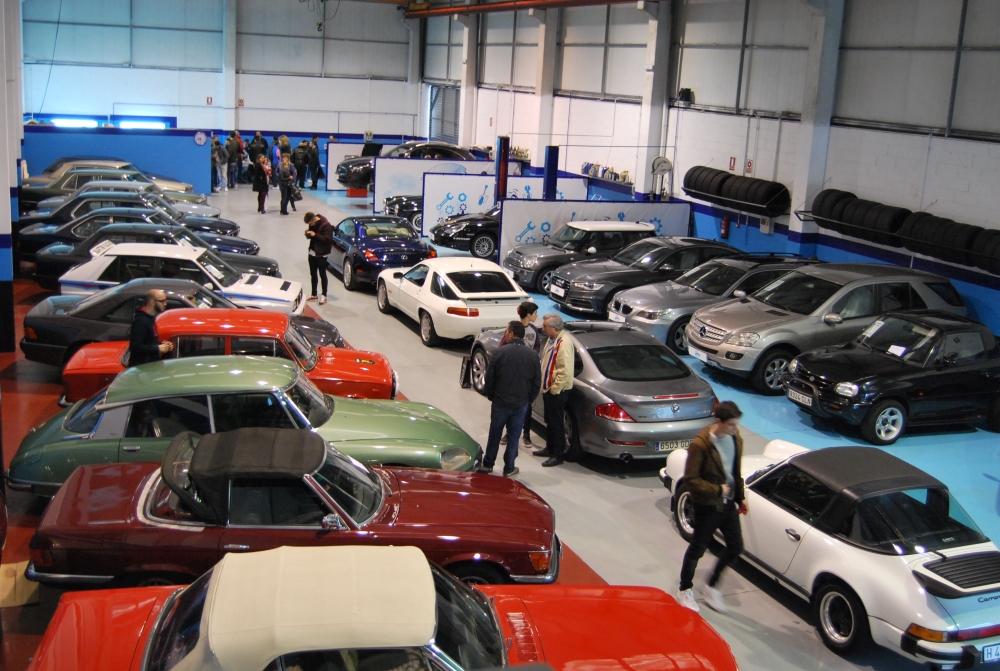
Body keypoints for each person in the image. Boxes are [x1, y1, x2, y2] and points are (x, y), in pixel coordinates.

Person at [676, 401, 747, 614]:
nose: (734, 428)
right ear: (719, 421)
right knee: (698, 548)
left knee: (736, 546)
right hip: (707, 506)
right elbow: (691, 479)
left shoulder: (735, 438)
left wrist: (740, 497)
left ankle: (711, 586)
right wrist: (717, 490)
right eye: (731, 424)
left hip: (728, 503)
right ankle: (684, 589)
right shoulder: (701, 444)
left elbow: (735, 471)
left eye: (735, 424)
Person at [480, 320, 540, 477]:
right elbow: (536, 382)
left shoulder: (500, 352)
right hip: (520, 404)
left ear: (512, 334)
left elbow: (490, 378)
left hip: (500, 402)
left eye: (506, 332)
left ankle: (487, 464)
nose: (505, 334)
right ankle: (509, 468)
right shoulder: (533, 355)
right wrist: (528, 400)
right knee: (514, 437)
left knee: (495, 434)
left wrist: (492, 396)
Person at [534, 314, 574, 467]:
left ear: (554, 327)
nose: (543, 328)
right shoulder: (552, 340)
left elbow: (565, 371)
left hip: (556, 391)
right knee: (550, 421)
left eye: (545, 326)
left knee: (556, 423)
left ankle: (557, 454)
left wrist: (555, 389)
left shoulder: (564, 343)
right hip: (548, 388)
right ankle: (549, 448)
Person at [499, 301, 540, 448]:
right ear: (528, 314)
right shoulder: (513, 328)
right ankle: (508, 432)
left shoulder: (534, 330)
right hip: (512, 372)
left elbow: (537, 346)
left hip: (526, 373)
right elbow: (502, 346)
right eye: (535, 313)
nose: (537, 316)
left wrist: (531, 357)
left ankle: (526, 434)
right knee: (511, 405)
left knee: (527, 406)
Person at [129, 289, 175, 366]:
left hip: (149, 366)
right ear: (152, 302)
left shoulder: (150, 319)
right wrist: (158, 348)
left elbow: (148, 342)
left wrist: (162, 344)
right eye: (162, 301)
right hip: (142, 368)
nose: (165, 304)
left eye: (166, 301)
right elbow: (135, 347)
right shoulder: (141, 321)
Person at [304, 212, 333, 304]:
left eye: (310, 223)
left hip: (322, 254)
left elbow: (327, 240)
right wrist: (308, 234)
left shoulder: (326, 225)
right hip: (312, 252)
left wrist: (315, 235)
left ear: (314, 219)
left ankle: (324, 295)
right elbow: (312, 236)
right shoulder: (312, 224)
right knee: (313, 274)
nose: (310, 225)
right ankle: (314, 294)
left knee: (322, 274)